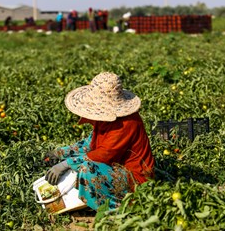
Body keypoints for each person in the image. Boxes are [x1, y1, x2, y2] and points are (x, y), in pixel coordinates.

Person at [44, 72, 155, 211]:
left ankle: (118, 209)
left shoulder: (127, 124)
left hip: (135, 178)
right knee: (79, 165)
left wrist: (66, 164)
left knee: (88, 169)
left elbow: (103, 154)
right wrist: (60, 153)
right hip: (116, 167)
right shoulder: (106, 120)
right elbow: (89, 144)